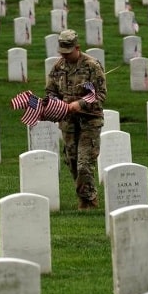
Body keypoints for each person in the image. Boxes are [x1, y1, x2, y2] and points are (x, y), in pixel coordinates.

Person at [46, 29, 107, 210]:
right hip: (68, 123)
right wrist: (56, 104)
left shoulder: (91, 66)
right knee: (72, 161)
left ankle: (89, 201)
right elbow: (50, 92)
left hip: (89, 121)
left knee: (84, 163)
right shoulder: (58, 67)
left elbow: (100, 94)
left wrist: (80, 104)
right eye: (62, 53)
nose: (65, 56)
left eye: (68, 52)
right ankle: (85, 197)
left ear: (77, 48)